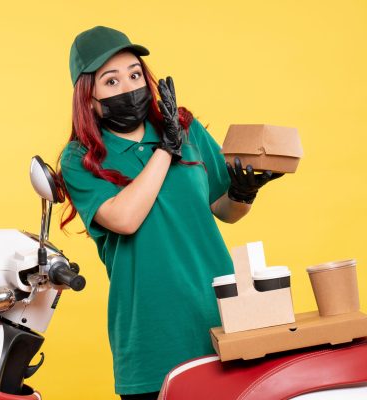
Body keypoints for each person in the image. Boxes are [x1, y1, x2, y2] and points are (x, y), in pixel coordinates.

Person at [56, 26, 283, 399]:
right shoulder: (81, 160)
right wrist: (165, 150)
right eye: (110, 81)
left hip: (221, 318)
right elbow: (125, 219)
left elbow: (223, 210)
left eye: (133, 74)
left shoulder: (186, 130)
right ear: (89, 97)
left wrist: (242, 194)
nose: (128, 87)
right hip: (152, 337)